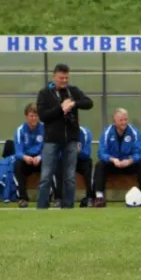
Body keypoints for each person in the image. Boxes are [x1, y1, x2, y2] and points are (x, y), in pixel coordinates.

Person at [36, 63, 93, 209]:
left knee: (69, 176)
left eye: (66, 78)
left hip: (71, 140)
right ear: (54, 76)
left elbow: (88, 103)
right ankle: (41, 207)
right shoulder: (44, 94)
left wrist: (73, 104)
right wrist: (61, 109)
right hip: (51, 140)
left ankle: (68, 207)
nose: (64, 81)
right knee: (46, 175)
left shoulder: (72, 91)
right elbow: (43, 116)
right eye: (61, 78)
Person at [93, 108, 141, 207]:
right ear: (114, 122)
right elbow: (101, 152)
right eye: (121, 120)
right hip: (113, 164)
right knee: (100, 165)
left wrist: (130, 160)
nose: (124, 122)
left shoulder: (134, 132)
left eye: (125, 120)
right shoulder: (107, 133)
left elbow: (139, 152)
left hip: (128, 164)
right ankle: (99, 197)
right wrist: (113, 160)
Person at [54, 126, 95, 208]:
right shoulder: (60, 133)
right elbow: (57, 154)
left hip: (80, 159)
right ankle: (59, 199)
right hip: (66, 160)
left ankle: (90, 197)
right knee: (57, 164)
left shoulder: (86, 133)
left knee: (88, 163)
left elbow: (87, 154)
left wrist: (78, 152)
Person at [13, 103, 44, 208]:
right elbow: (18, 152)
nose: (34, 118)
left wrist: (40, 157)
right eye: (31, 116)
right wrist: (25, 157)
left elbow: (49, 150)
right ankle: (23, 199)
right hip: (26, 160)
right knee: (17, 165)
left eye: (36, 116)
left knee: (51, 162)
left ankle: (45, 197)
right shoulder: (20, 130)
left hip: (40, 159)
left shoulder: (45, 129)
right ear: (26, 116)